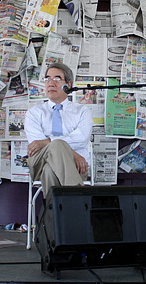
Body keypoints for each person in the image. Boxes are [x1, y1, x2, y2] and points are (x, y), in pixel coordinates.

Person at [24, 63, 93, 195]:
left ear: (68, 84)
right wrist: (74, 154)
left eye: (56, 79)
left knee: (50, 172)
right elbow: (38, 146)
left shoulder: (82, 111)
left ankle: (55, 214)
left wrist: (47, 141)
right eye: (47, 79)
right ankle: (79, 199)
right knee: (55, 146)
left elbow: (81, 139)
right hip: (40, 162)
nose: (51, 83)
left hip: (76, 167)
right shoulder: (34, 113)